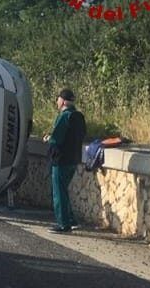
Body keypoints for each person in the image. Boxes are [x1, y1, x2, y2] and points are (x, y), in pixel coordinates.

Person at [43, 88, 86, 233]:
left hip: (61, 160)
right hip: (74, 159)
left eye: (58, 99)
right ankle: (71, 220)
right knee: (64, 191)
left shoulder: (64, 116)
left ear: (62, 101)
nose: (57, 102)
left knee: (59, 193)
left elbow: (57, 138)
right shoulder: (79, 116)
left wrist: (49, 138)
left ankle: (63, 224)